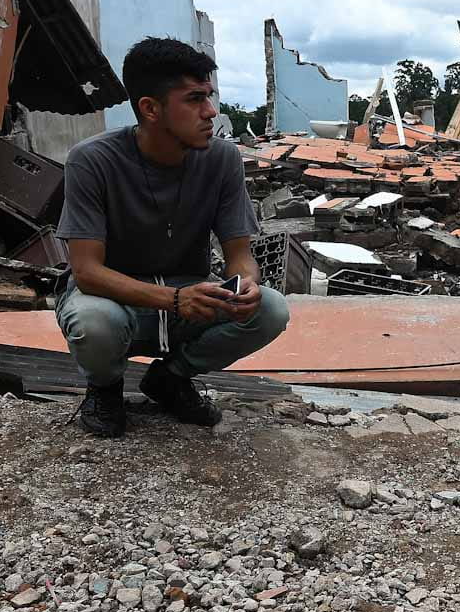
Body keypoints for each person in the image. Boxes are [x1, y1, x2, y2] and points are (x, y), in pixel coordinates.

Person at [54, 37, 289, 438]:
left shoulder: (223, 159)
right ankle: (105, 388)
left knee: (270, 309)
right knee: (95, 322)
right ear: (150, 108)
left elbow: (240, 253)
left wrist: (246, 283)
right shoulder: (92, 160)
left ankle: (171, 378)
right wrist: (175, 300)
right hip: (115, 298)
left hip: (187, 294)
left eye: (209, 97)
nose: (211, 112)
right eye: (195, 99)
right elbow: (88, 272)